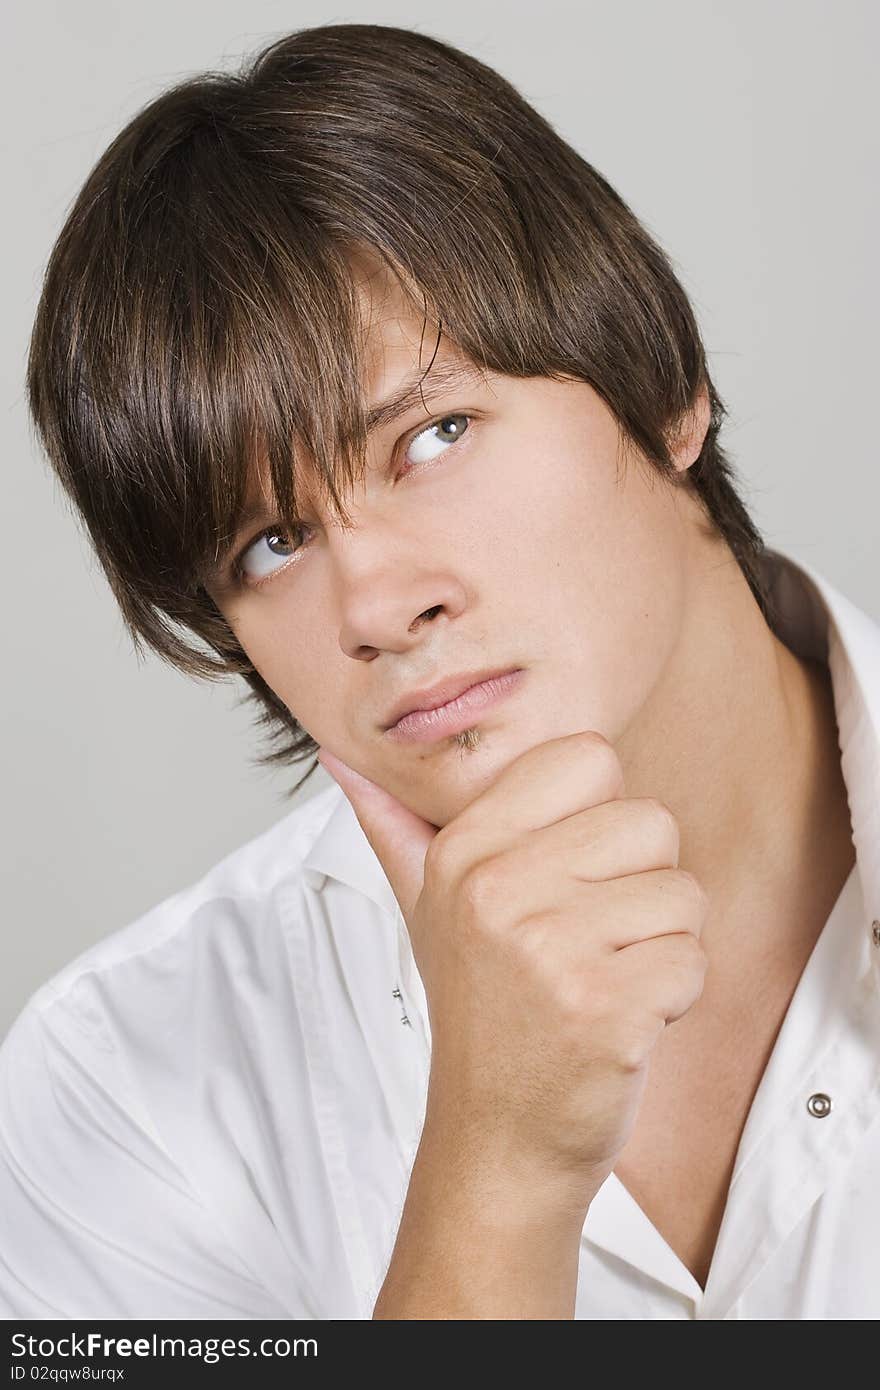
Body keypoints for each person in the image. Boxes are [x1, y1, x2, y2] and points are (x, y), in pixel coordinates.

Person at [3, 20, 878, 1321]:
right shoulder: (121, 1083)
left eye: (435, 436)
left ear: (665, 383)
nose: (374, 601)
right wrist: (496, 1170)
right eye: (273, 542)